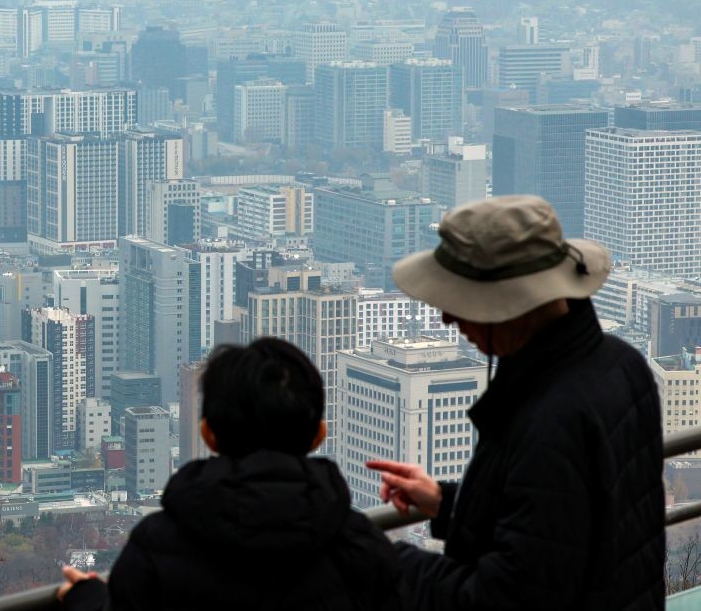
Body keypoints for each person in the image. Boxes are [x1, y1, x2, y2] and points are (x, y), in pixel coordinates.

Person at [368, 195, 665, 609]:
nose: (448, 320)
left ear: (509, 306)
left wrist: (379, 558)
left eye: (460, 303)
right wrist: (446, 502)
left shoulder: (552, 419)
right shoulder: (623, 365)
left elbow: (505, 597)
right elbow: (565, 532)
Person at [58, 337, 401, 610]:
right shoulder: (364, 548)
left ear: (207, 434)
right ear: (318, 435)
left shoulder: (156, 546)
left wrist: (86, 598)